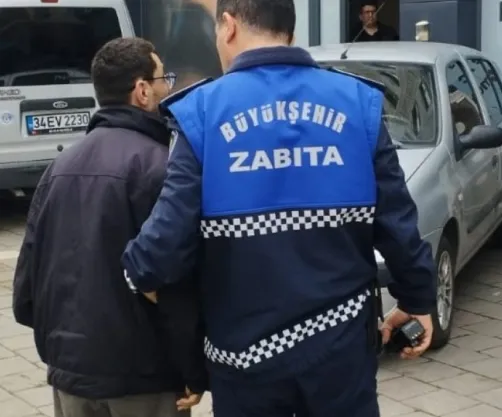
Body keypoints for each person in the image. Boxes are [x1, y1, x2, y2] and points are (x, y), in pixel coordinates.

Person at [120, 0, 436, 415]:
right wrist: (417, 299)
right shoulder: (357, 102)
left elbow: (161, 250)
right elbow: (397, 222)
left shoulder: (201, 113)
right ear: (291, 30)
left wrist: (135, 268)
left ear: (229, 26)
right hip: (341, 352)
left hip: (245, 362)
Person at [12, 37, 207, 417]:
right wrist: (193, 369)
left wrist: (65, 353)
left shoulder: (58, 168)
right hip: (143, 381)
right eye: (163, 78)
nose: (168, 87)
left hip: (71, 377)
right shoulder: (161, 169)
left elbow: (25, 292)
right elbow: (175, 283)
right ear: (142, 90)